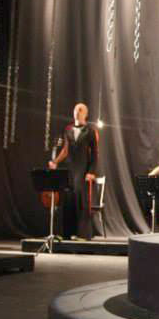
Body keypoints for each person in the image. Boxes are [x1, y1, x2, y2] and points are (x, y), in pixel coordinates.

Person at [49, 103, 99, 240]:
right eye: (76, 109)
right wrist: (55, 162)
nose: (77, 112)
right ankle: (67, 233)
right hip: (70, 169)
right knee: (68, 198)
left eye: (80, 110)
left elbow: (95, 153)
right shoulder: (68, 129)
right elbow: (65, 150)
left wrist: (91, 171)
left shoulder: (90, 130)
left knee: (81, 200)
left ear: (85, 114)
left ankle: (82, 234)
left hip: (83, 169)